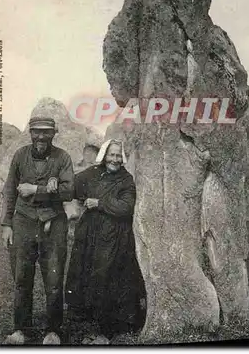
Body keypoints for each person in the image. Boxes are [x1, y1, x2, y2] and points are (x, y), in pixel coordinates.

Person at [1, 116, 74, 345]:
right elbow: (10, 190)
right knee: (22, 277)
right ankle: (21, 329)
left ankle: (53, 330)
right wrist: (6, 224)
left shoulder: (63, 157)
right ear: (30, 133)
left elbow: (69, 191)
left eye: (46, 132)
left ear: (54, 133)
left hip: (54, 223)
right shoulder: (20, 156)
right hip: (23, 222)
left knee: (53, 279)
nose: (41, 137)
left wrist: (37, 189)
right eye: (37, 132)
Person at [65, 139, 145, 344]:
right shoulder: (92, 173)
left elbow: (126, 207)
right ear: (104, 156)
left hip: (115, 237)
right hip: (92, 234)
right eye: (112, 155)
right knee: (87, 274)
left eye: (119, 156)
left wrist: (100, 203)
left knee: (110, 278)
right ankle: (91, 320)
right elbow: (72, 185)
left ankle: (111, 329)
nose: (115, 160)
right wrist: (55, 181)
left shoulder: (126, 180)